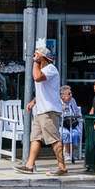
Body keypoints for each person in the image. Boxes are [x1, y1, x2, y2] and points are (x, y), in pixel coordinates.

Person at [15, 47, 68, 176]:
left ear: (43, 57)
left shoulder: (50, 69)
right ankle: (29, 165)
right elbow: (43, 91)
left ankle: (62, 167)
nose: (35, 56)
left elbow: (37, 78)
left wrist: (35, 62)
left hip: (49, 111)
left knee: (54, 139)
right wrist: (33, 102)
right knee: (36, 138)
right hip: (40, 110)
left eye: (37, 54)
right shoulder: (42, 69)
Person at [59, 85, 83, 161]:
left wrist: (75, 116)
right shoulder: (58, 102)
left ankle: (72, 152)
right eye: (69, 94)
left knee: (75, 134)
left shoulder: (72, 100)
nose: (71, 95)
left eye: (71, 93)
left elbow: (76, 112)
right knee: (66, 134)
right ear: (62, 95)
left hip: (72, 123)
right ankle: (66, 152)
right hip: (61, 124)